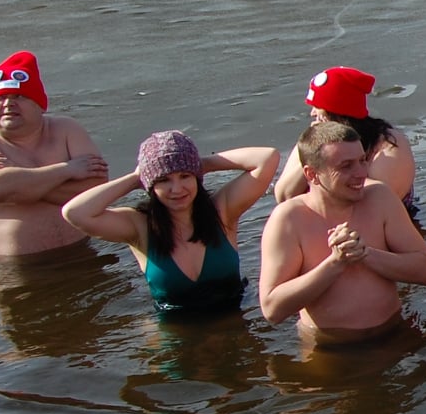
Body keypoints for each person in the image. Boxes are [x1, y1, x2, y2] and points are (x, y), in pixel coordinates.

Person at [61, 131, 279, 316]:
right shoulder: (139, 227)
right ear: (151, 186)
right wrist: (137, 178)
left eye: (185, 176)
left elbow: (267, 158)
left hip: (234, 322)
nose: (177, 189)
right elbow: (75, 213)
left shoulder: (222, 212)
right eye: (164, 180)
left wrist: (200, 163)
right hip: (176, 337)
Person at [259, 121, 426, 341]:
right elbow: (272, 309)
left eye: (362, 161)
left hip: (396, 333)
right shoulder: (289, 220)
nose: (361, 173)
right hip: (330, 349)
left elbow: (425, 270)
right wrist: (335, 263)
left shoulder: (380, 197)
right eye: (346, 166)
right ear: (312, 174)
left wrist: (366, 254)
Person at [0, 50, 107, 256]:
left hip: (82, 255)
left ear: (40, 104)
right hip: (9, 271)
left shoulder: (66, 129)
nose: (9, 103)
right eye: (0, 98)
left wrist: (20, 177)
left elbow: (96, 190)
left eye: (19, 96)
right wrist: (67, 170)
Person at [274, 66, 418, 218]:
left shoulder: (388, 146)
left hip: (390, 228)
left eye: (318, 107)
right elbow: (284, 196)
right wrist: (315, 153)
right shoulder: (316, 138)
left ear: (336, 112)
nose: (312, 113)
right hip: (325, 225)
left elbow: (376, 206)